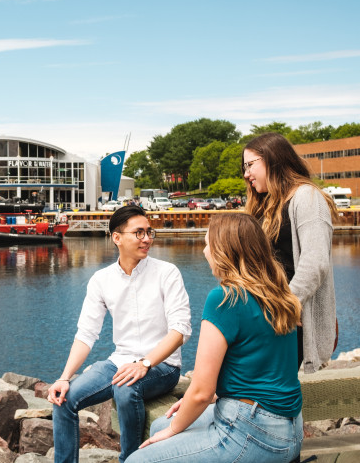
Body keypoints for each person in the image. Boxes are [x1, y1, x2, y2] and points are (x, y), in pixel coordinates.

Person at [127, 214, 304, 463]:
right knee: (159, 427)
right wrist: (189, 406)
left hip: (252, 431)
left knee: (139, 459)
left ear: (225, 251)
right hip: (291, 430)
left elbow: (201, 391)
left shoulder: (224, 299)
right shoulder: (279, 294)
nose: (204, 251)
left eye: (208, 244)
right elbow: (256, 370)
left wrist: (175, 428)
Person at [47, 205, 192, 463]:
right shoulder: (101, 280)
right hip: (120, 360)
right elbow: (86, 334)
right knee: (64, 399)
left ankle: (130, 459)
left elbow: (180, 331)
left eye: (149, 232)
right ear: (117, 237)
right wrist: (64, 377)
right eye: (138, 233)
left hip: (163, 365)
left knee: (126, 388)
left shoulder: (167, 273)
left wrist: (145, 363)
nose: (146, 239)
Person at [242, 132, 338, 373]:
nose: (246, 174)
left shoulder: (307, 197)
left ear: (273, 160)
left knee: (270, 395)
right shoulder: (266, 203)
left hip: (288, 320)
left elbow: (315, 262)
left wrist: (287, 304)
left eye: (250, 165)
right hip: (266, 317)